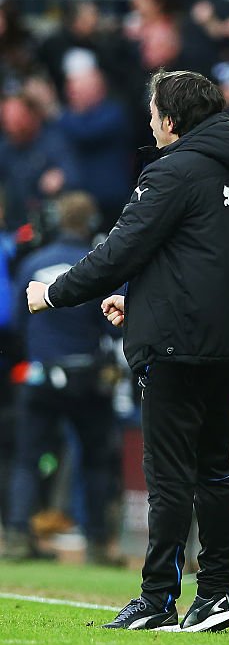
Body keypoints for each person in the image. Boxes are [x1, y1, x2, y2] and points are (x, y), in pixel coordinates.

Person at [26, 69, 229, 632]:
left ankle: (158, 599)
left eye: (155, 112)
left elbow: (119, 252)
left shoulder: (172, 170)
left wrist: (51, 293)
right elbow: (207, 261)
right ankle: (216, 595)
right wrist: (145, 304)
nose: (151, 122)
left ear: (172, 119)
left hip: (177, 346)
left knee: (169, 475)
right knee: (213, 470)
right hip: (226, 342)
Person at [6, 191, 118, 563]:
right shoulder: (99, 264)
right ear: (90, 223)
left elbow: (17, 321)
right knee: (94, 460)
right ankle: (98, 544)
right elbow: (113, 323)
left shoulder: (33, 263)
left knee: (28, 458)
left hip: (41, 376)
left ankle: (19, 534)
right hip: (86, 375)